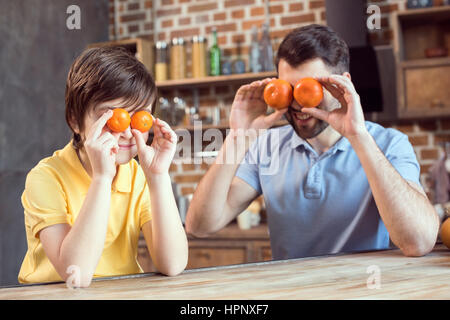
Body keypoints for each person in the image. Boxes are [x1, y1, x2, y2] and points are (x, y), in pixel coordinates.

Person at [185, 24, 439, 260]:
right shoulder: (266, 146)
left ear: (343, 85)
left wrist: (358, 137)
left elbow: (418, 241)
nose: (298, 103)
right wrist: (237, 138)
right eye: (289, 89)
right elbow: (200, 226)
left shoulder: (389, 144)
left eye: (311, 88)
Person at [19, 47, 188, 287]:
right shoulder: (45, 177)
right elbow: (75, 275)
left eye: (140, 118)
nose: (128, 132)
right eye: (113, 119)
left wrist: (158, 176)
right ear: (75, 121)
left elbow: (173, 263)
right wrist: (102, 179)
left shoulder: (136, 176)